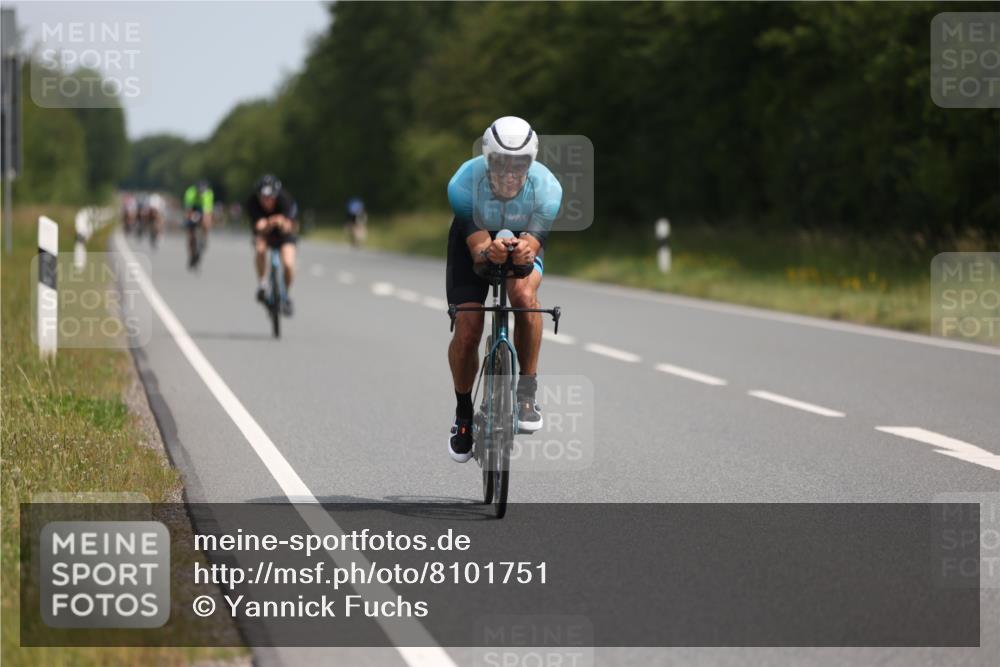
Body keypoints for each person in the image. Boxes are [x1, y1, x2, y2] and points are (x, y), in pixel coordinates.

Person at [444, 116, 562, 463]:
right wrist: (488, 251)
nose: (510, 174)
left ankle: (526, 392)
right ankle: (463, 415)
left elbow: (532, 247)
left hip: (522, 238)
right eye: (500, 164)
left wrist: (524, 249)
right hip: (475, 243)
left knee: (524, 298)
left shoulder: (548, 188)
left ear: (531, 162)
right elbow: (479, 252)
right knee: (468, 327)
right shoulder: (463, 183)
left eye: (520, 164)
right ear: (487, 159)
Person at [246, 174, 298, 316]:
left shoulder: (285, 200)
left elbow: (290, 226)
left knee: (288, 263)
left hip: (283, 235)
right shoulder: (252, 203)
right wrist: (270, 222)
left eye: (270, 197)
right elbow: (259, 226)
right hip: (264, 233)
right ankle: (262, 284)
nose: (267, 201)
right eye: (263, 197)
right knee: (260, 249)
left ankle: (285, 294)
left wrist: (282, 222)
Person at [183, 180, 214, 268]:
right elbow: (188, 209)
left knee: (206, 221)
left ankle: (205, 237)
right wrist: (189, 218)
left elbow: (207, 211)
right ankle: (192, 254)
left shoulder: (208, 194)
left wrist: (207, 222)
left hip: (203, 209)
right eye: (199, 192)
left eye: (202, 192)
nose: (201, 194)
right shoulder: (190, 192)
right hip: (193, 208)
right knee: (190, 234)